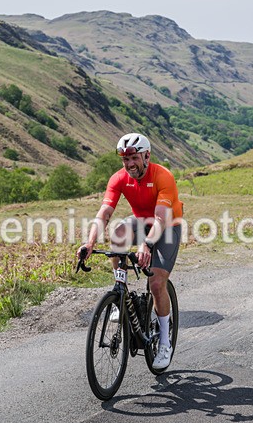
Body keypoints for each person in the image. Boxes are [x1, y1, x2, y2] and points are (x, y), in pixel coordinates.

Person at [77, 133, 183, 369]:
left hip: (167, 226)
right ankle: (121, 292)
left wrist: (146, 245)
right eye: (125, 160)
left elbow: (160, 218)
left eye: (134, 158)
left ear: (147, 155)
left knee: (156, 283)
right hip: (140, 221)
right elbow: (104, 212)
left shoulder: (162, 176)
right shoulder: (119, 178)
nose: (130, 164)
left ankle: (165, 342)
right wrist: (90, 243)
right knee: (118, 232)